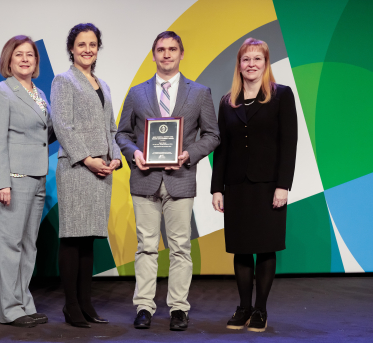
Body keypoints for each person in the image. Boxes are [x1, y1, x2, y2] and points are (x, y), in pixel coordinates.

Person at [116, 31, 220, 331]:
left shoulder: (199, 92)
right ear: (153, 55)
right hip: (144, 179)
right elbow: (122, 133)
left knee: (180, 248)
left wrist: (188, 154)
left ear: (181, 54)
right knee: (146, 247)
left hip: (181, 179)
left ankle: (178, 308)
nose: (166, 54)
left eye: (172, 49)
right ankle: (145, 307)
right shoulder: (137, 93)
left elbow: (212, 135)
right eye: (161, 49)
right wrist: (134, 153)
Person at [211, 37, 298, 332]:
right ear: (239, 64)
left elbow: (289, 144)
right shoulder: (227, 102)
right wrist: (216, 188)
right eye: (246, 59)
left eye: (256, 59)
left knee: (265, 247)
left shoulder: (281, 95)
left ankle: (260, 309)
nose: (251, 64)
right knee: (242, 249)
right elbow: (221, 150)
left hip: (269, 186)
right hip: (236, 187)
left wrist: (283, 185)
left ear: (265, 63)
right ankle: (243, 307)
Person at [51, 23, 121, 328]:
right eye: (81, 44)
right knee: (72, 237)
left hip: (102, 171)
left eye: (92, 44)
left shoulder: (103, 85)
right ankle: (71, 306)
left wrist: (115, 158)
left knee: (89, 239)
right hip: (77, 169)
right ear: (71, 48)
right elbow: (62, 126)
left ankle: (86, 302)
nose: (87, 50)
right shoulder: (63, 81)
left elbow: (112, 129)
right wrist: (89, 159)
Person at [0, 35, 55, 328]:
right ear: (8, 60)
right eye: (19, 55)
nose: (25, 59)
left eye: (30, 55)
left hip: (37, 176)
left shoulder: (39, 93)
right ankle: (10, 310)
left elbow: (44, 134)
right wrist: (3, 183)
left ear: (36, 62)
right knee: (10, 245)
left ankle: (25, 303)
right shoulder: (0, 91)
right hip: (12, 178)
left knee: (28, 246)